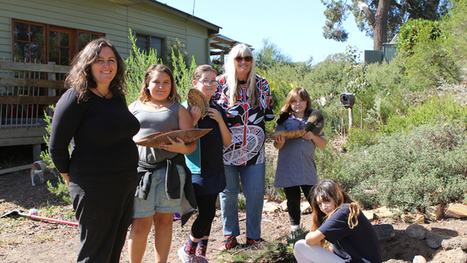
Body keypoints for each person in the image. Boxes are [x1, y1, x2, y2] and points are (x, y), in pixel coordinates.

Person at [49, 38, 140, 262]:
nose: (106, 65)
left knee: (113, 250)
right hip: (94, 186)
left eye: (111, 60)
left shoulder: (116, 97)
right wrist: (67, 176)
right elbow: (56, 146)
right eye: (99, 60)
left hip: (124, 183)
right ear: (87, 64)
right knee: (95, 253)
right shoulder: (76, 97)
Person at [127, 64, 197, 263]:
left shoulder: (178, 109)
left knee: (164, 223)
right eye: (156, 81)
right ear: (147, 84)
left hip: (171, 173)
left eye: (166, 82)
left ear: (172, 85)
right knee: (140, 224)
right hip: (141, 173)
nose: (161, 86)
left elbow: (192, 144)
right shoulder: (133, 107)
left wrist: (181, 149)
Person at [213, 43, 274, 250]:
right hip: (226, 150)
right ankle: (229, 236)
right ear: (231, 61)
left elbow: (268, 114)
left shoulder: (261, 84)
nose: (243, 62)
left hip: (254, 150)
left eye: (247, 58)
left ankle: (254, 237)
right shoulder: (219, 84)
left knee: (255, 194)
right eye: (239, 58)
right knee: (227, 194)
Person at [178, 65, 232, 262]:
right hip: (196, 169)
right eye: (205, 80)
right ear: (195, 83)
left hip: (216, 168)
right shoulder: (185, 108)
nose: (210, 84)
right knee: (207, 213)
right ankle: (188, 250)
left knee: (209, 212)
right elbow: (184, 138)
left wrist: (219, 120)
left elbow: (227, 142)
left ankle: (201, 255)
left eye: (213, 80)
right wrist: (193, 118)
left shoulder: (217, 109)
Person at [273, 87, 327, 235]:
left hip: (306, 167)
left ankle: (322, 230)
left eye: (301, 101)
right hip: (288, 167)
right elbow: (277, 145)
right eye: (294, 101)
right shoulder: (284, 120)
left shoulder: (314, 120)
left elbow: (323, 144)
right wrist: (280, 140)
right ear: (289, 103)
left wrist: (313, 136)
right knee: (293, 200)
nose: (298, 104)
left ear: (307, 102)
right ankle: (295, 232)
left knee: (314, 199)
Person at [294, 179, 382, 263]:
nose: (323, 207)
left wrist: (310, 235)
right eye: (319, 204)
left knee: (300, 246)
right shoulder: (347, 211)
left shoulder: (344, 212)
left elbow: (310, 240)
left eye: (326, 201)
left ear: (337, 197)